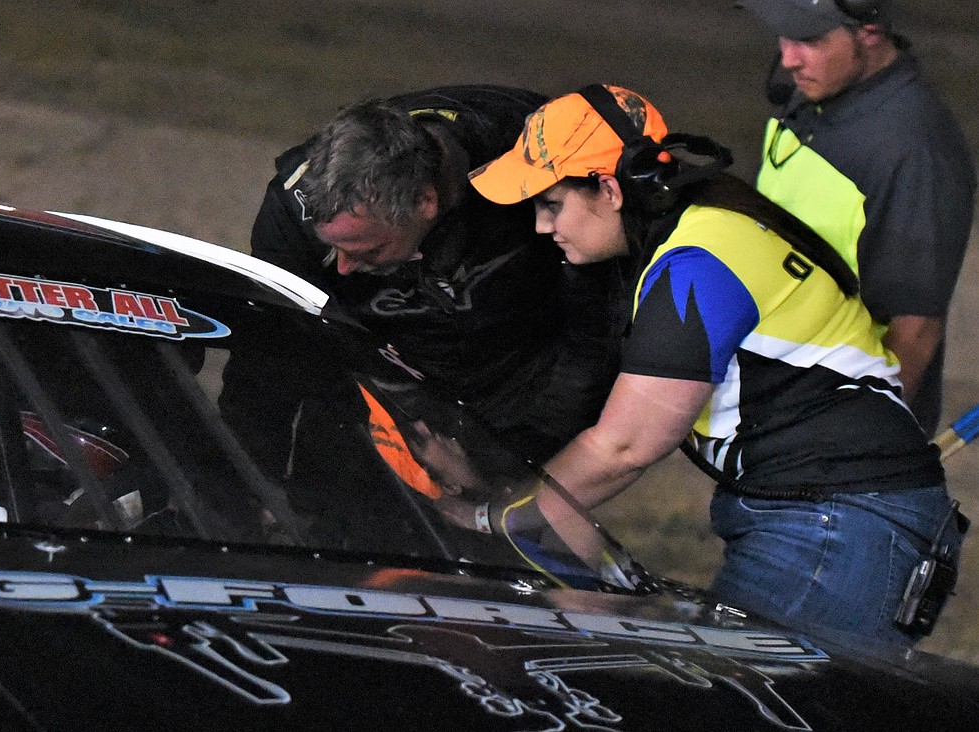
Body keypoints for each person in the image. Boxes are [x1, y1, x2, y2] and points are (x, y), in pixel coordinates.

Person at [431, 84, 964, 649]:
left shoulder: (697, 264)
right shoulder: (705, 224)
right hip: (838, 520)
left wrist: (493, 515)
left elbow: (623, 447)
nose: (542, 226)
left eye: (551, 203)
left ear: (609, 189)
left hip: (837, 526)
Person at [231, 85, 626, 480]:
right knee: (326, 501)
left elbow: (593, 339)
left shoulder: (536, 167)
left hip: (517, 375)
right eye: (334, 250)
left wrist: (511, 466)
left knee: (483, 526)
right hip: (376, 370)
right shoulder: (293, 207)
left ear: (425, 201)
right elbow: (267, 353)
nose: (345, 268)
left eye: (370, 250)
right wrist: (249, 484)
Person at [741, 0, 976, 432]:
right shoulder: (821, 91)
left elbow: (916, 328)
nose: (789, 59)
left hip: (832, 432)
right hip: (771, 390)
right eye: (785, 36)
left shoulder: (914, 148)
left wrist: (860, 442)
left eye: (809, 40)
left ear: (869, 32)